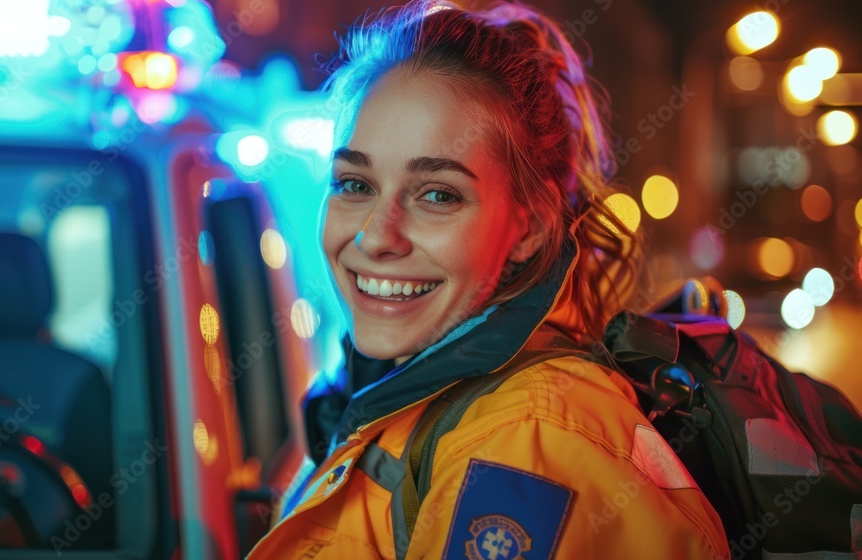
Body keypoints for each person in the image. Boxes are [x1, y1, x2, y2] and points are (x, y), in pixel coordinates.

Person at [249, 1, 729, 558]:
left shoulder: (526, 445)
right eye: (355, 184)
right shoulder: (410, 396)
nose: (377, 236)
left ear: (531, 226)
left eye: (438, 195)